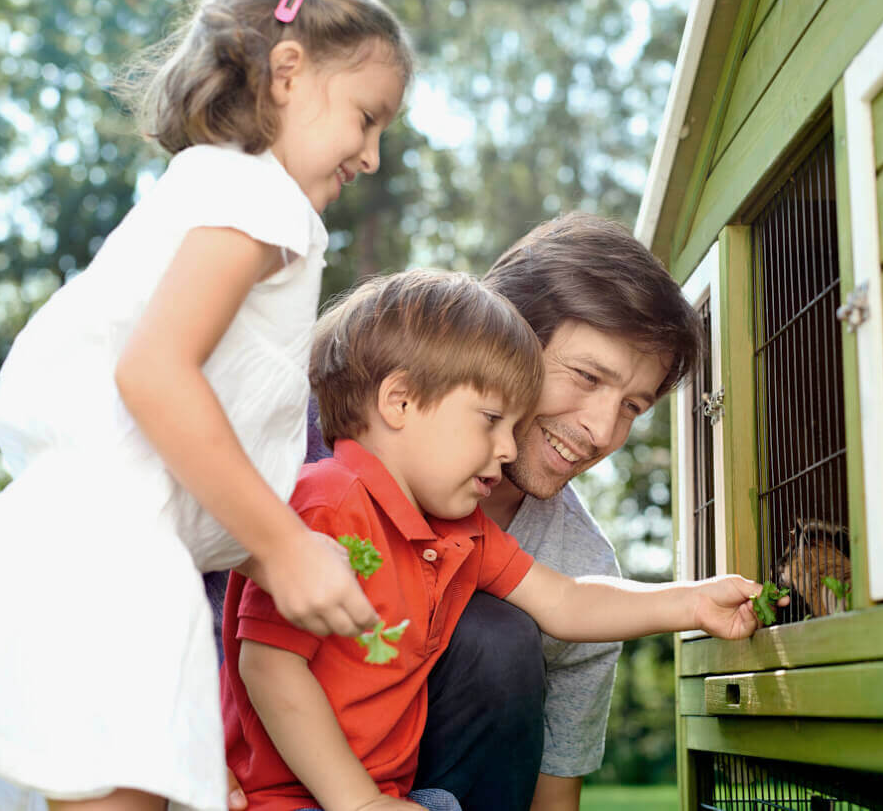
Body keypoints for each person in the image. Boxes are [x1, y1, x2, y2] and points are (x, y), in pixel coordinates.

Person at [0, 0, 411, 809]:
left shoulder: (217, 191)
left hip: (88, 545)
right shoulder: (259, 200)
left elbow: (172, 422)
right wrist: (281, 544)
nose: (372, 156)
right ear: (289, 71)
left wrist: (269, 554)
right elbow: (154, 374)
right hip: (109, 563)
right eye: (366, 118)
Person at [219, 269, 776, 811]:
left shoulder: (457, 527)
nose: (507, 448)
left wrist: (690, 602)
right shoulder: (323, 503)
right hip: (284, 799)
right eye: (490, 420)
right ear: (400, 401)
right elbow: (267, 668)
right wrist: (358, 800)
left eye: (513, 425)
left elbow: (566, 599)